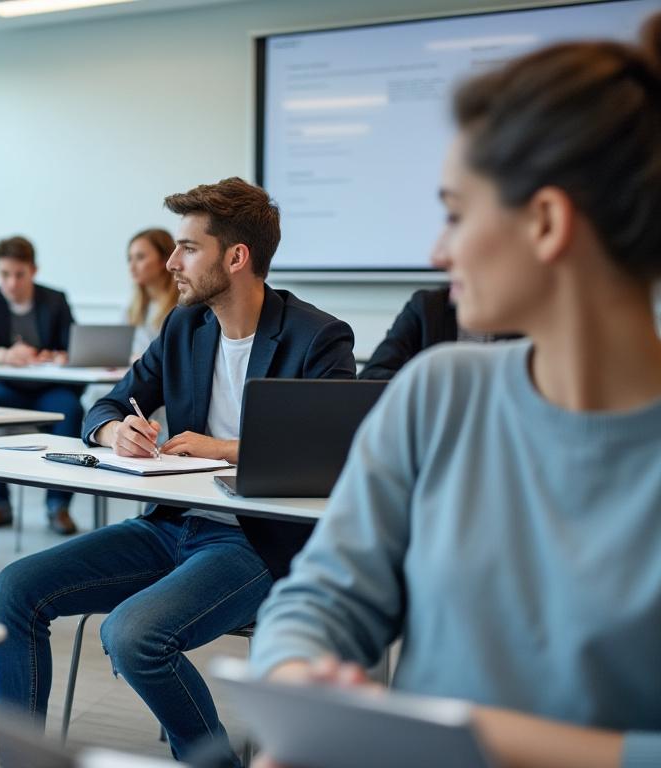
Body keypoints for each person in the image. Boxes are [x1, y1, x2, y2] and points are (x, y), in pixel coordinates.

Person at [251, 17, 661, 768]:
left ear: (544, 222)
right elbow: (323, 598)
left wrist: (456, 736)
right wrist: (304, 687)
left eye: (455, 213)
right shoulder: (437, 395)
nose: (439, 251)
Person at [0, 178, 356, 766]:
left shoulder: (318, 336)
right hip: (170, 526)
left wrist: (224, 448)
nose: (171, 262)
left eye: (187, 247)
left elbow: (334, 450)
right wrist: (114, 431)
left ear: (236, 258)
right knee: (16, 587)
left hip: (254, 541)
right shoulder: (186, 327)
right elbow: (106, 404)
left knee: (133, 636)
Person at [0, 235, 83, 534]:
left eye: (19, 275)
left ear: (33, 271)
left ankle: (58, 504)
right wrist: (0, 354)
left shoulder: (55, 300)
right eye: (4, 275)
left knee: (71, 409)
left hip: (49, 390)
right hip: (8, 388)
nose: (12, 283)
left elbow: (74, 347)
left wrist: (58, 355)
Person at [358, 285, 506, 379]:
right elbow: (371, 375)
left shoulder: (523, 315)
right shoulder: (427, 307)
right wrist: (431, 383)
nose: (438, 258)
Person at [125, 227, 179, 359]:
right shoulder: (131, 309)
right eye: (129, 259)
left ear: (164, 260)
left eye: (140, 257)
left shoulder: (182, 309)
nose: (132, 267)